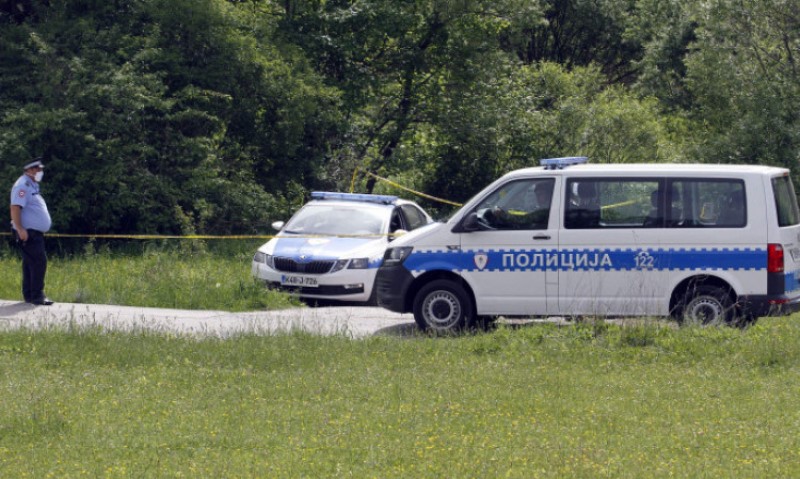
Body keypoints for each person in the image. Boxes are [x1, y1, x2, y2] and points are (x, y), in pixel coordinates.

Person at [9, 158, 53, 305]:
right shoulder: (22, 185)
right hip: (28, 232)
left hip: (33, 232)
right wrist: (20, 229)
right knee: (39, 261)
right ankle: (38, 295)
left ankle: (29, 295)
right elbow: (15, 207)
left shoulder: (32, 185)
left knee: (30, 263)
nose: (41, 172)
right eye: (38, 169)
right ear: (30, 170)